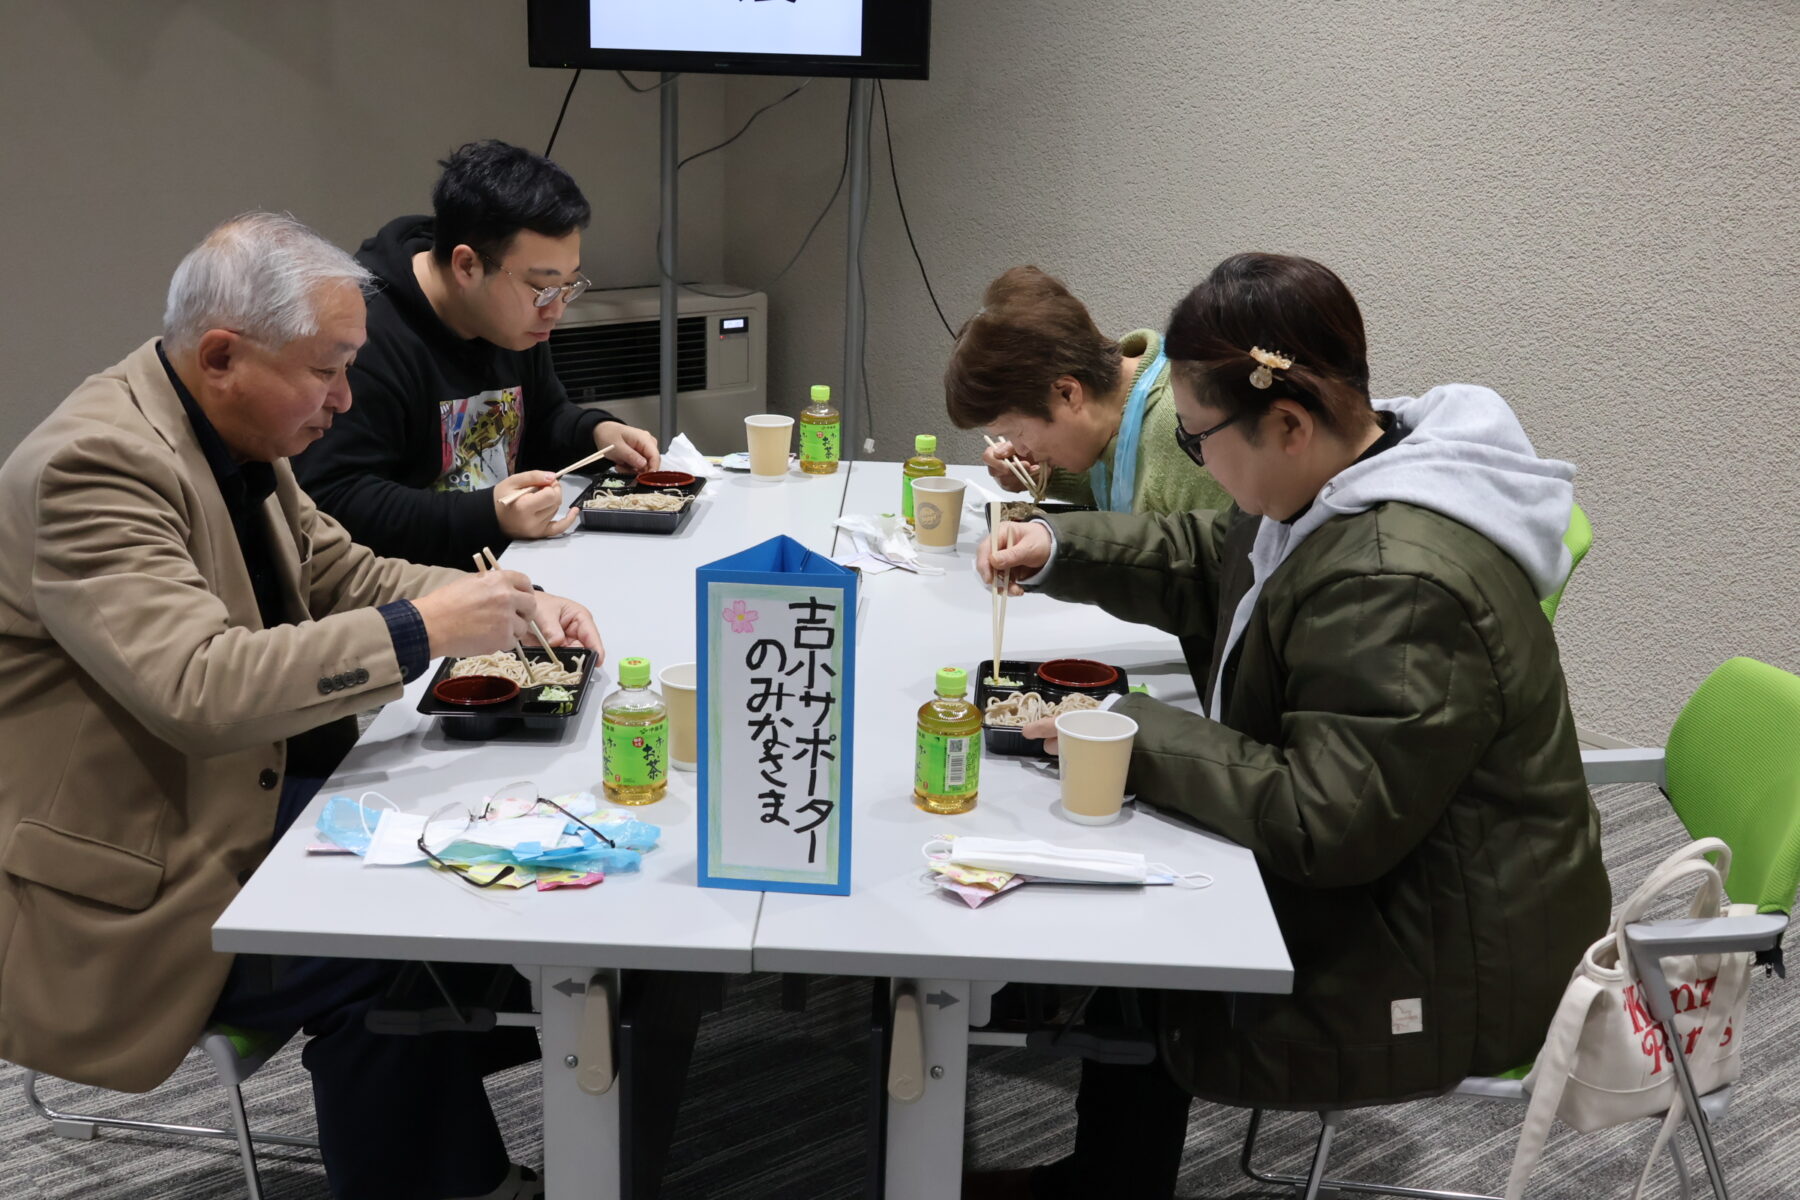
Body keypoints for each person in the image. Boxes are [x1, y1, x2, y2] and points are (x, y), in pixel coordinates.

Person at [969, 253, 1611, 1198]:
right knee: (1128, 883)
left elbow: (1324, 823)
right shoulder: (1345, 472)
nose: (1195, 461)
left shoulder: (1396, 581)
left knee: (1151, 926)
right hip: (1421, 880)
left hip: (1447, 957)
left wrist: (1122, 727)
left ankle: (1104, 1176)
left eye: (1196, 441)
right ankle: (1090, 1135)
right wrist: (1060, 544)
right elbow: (1209, 555)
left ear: (1288, 422)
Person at [0, 213, 601, 1200]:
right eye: (328, 371)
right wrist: (430, 629)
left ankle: (471, 1162)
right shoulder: (92, 469)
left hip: (239, 798)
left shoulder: (229, 426)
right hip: (135, 879)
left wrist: (508, 606)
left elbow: (340, 569)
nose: (346, 400)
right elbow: (199, 687)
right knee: (398, 944)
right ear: (224, 355)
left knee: (481, 856)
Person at [293, 139, 661, 569]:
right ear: (467, 266)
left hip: (511, 568)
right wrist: (488, 516)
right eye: (542, 287)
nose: (556, 309)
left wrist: (595, 435)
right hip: (410, 592)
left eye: (569, 285)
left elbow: (542, 420)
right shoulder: (366, 333)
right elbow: (334, 502)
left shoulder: (514, 324)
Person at [944, 265, 1229, 515]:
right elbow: (1135, 493)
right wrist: (1044, 475)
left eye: (1017, 433)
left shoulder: (1181, 426)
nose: (1019, 449)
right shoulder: (1119, 410)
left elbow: (1224, 554)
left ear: (1067, 393)